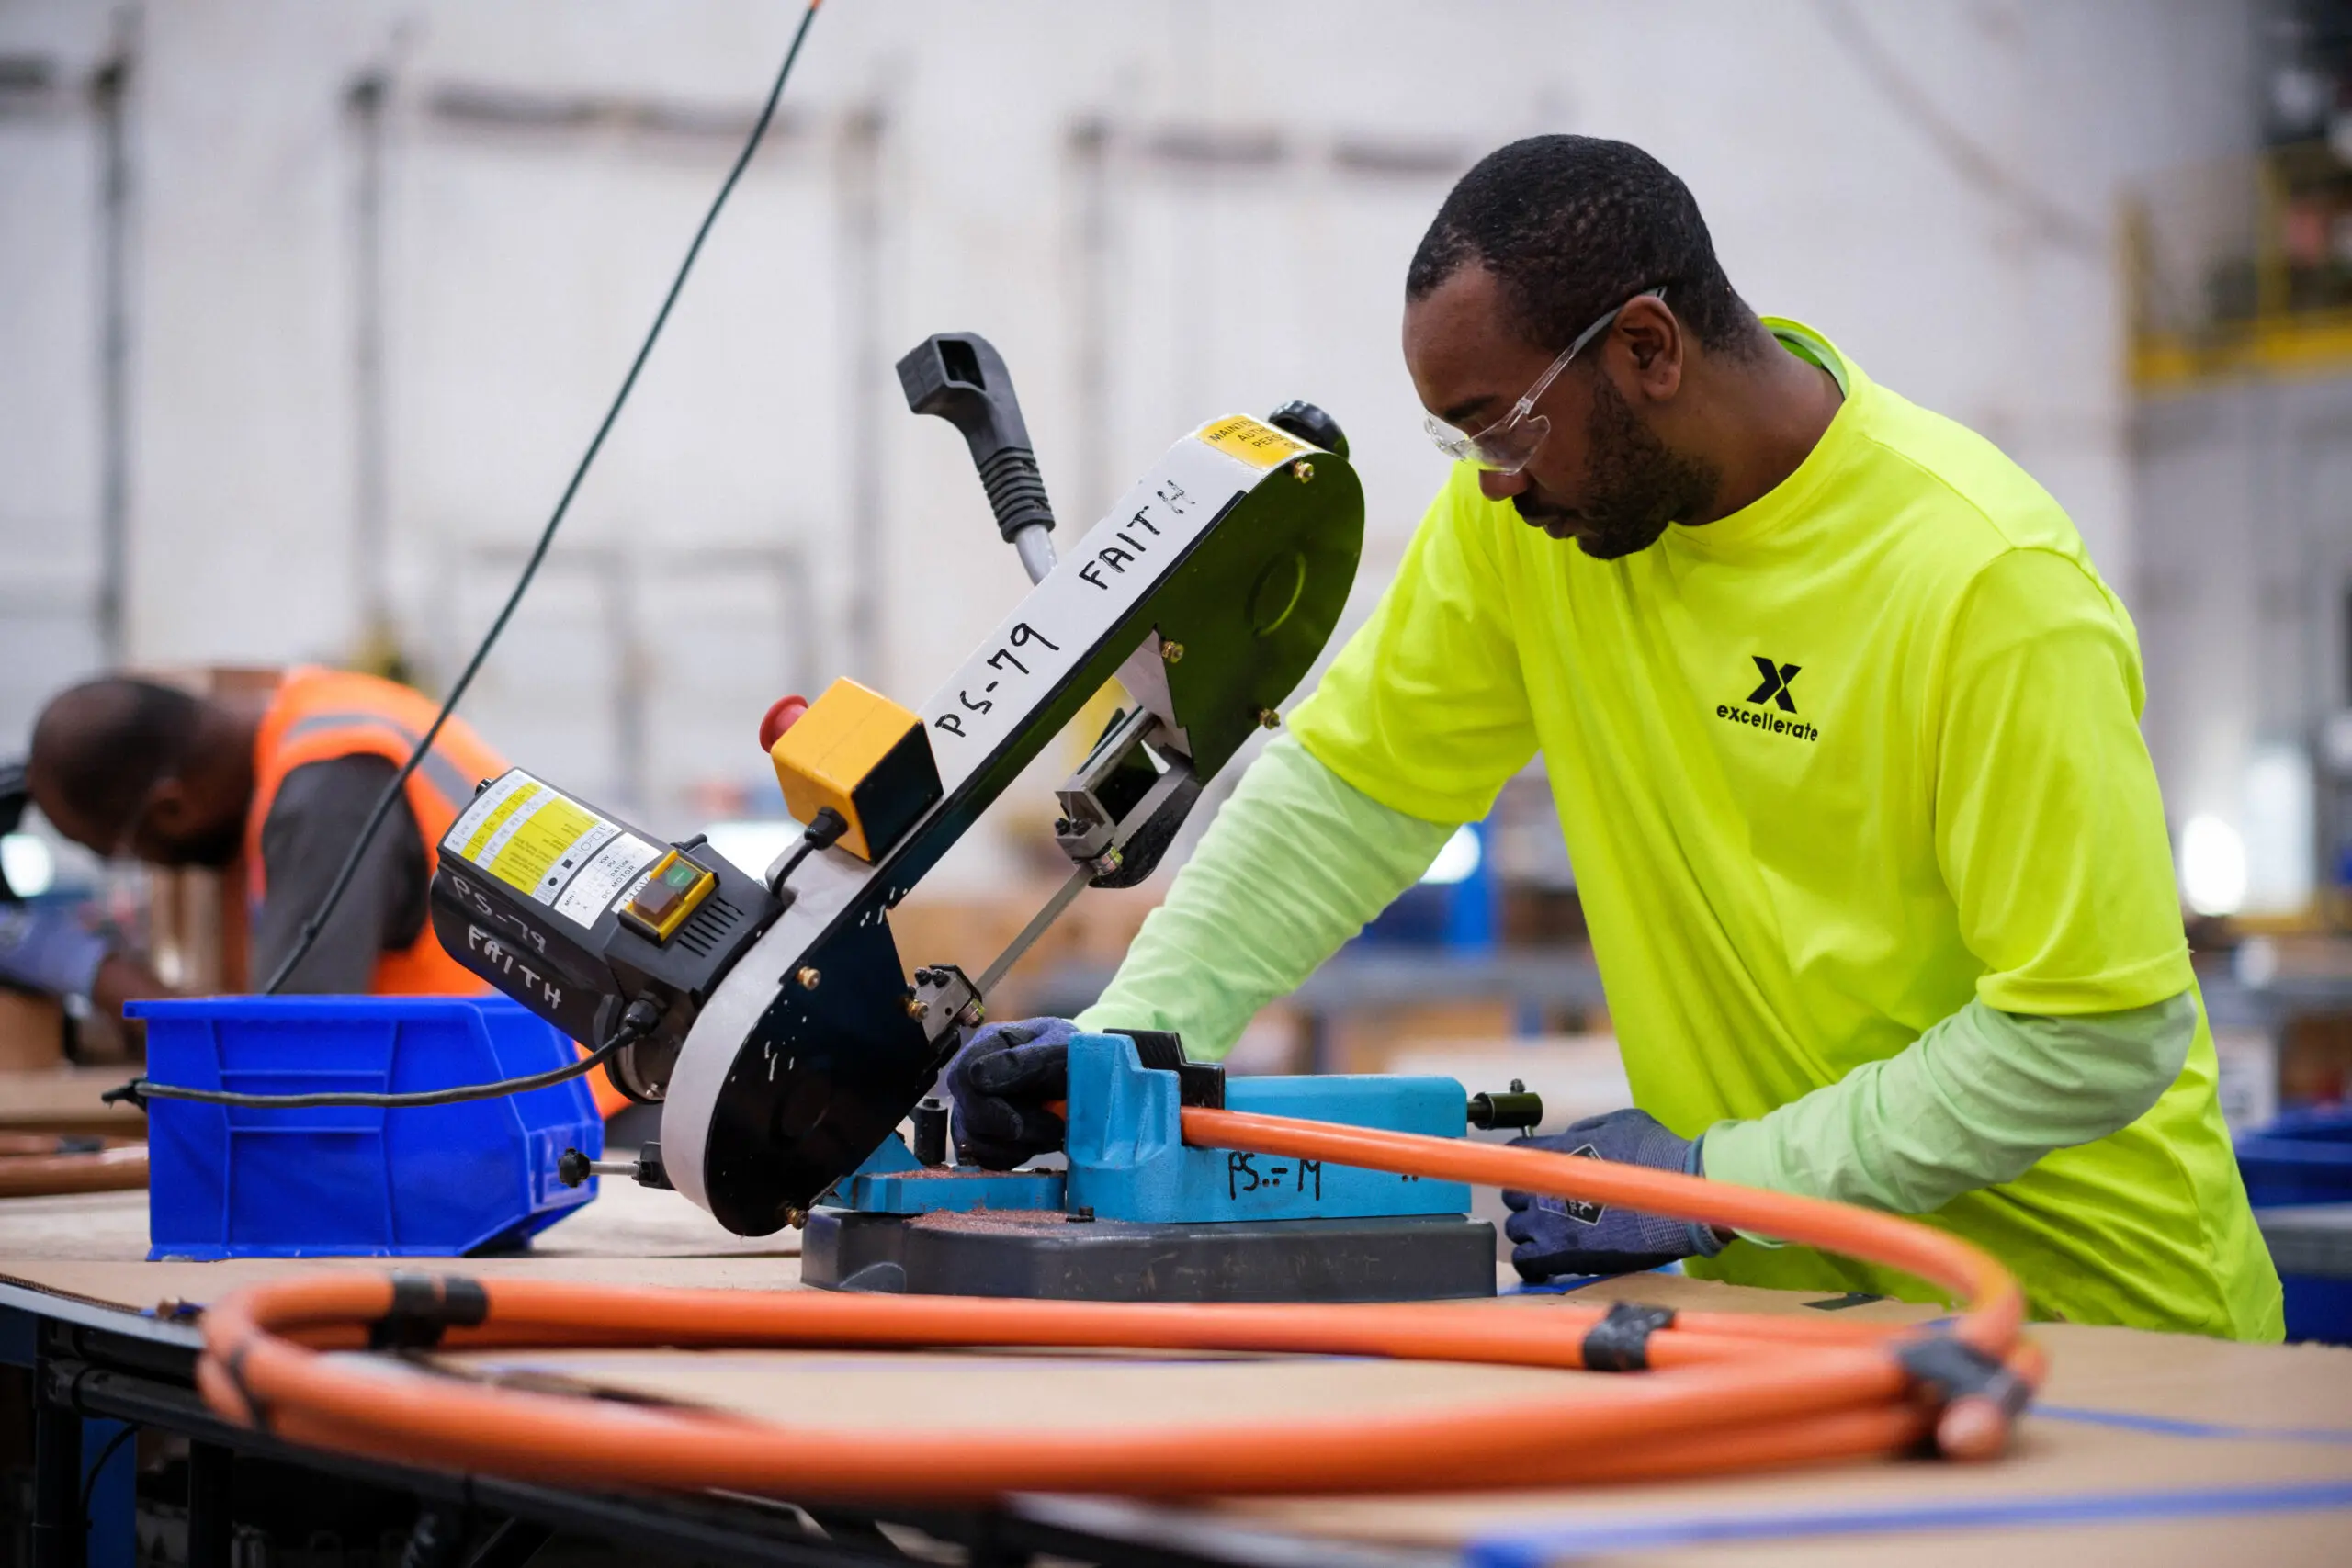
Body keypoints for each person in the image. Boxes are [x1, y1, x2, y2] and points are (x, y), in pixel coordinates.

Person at [948, 135, 2281, 1340]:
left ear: (1649, 349)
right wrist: (1127, 1042)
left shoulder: (1983, 583)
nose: (1495, 481)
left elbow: (2094, 1035)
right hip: (1799, 1326)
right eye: (1462, 440)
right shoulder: (1528, 525)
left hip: (2100, 1338)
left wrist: (1716, 1180)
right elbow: (1357, 788)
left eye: (1505, 427)